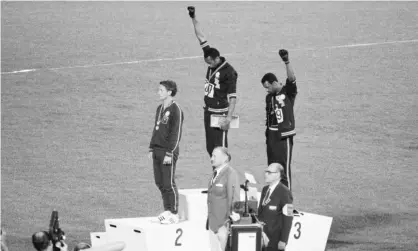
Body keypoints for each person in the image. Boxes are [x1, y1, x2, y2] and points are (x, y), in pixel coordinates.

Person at [187, 6, 238, 158]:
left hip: (220, 113)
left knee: (220, 149)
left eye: (210, 63)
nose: (208, 65)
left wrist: (229, 117)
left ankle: (225, 177)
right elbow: (200, 36)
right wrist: (193, 16)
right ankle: (216, 174)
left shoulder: (229, 72)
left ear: (217, 59)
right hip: (208, 111)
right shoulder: (210, 55)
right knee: (210, 148)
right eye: (207, 63)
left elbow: (233, 97)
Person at [148, 80, 184, 224]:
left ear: (170, 92)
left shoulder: (176, 110)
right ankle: (167, 210)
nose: (158, 92)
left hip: (168, 151)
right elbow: (156, 128)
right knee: (160, 182)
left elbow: (176, 133)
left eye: (161, 90)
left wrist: (170, 153)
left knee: (168, 183)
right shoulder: (159, 108)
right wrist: (151, 147)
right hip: (157, 149)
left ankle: (174, 213)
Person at [261, 49, 297, 190]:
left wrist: (286, 61)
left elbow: (292, 79)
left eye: (268, 87)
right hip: (271, 136)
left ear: (274, 82)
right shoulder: (269, 97)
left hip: (283, 136)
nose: (267, 90)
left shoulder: (288, 92)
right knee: (272, 168)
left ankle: (287, 201)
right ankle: (275, 197)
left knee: (283, 169)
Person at [206, 146, 240, 251]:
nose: (211, 158)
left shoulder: (231, 174)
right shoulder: (215, 173)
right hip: (213, 224)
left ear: (225, 158)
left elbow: (235, 198)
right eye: (211, 155)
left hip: (224, 225)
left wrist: (231, 222)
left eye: (214, 156)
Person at [257, 163, 294, 251]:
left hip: (275, 240)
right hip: (262, 236)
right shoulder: (265, 189)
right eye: (266, 171)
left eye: (269, 172)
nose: (266, 174)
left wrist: (283, 240)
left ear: (278, 174)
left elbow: (288, 218)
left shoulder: (285, 192)